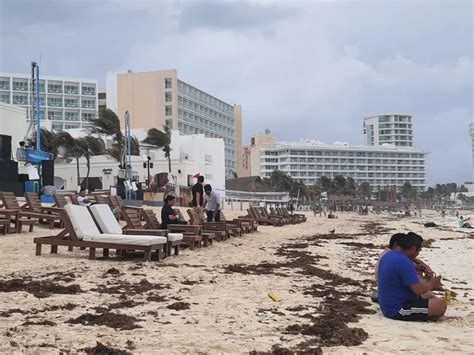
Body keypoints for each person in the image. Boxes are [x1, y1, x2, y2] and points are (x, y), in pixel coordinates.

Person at [378, 232, 446, 321]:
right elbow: (418, 289)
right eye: (418, 251)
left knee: (428, 295)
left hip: (388, 304)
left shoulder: (389, 255)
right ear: (413, 249)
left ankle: (428, 313)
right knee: (440, 305)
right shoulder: (403, 261)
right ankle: (430, 315)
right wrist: (432, 284)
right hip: (397, 310)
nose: (418, 254)